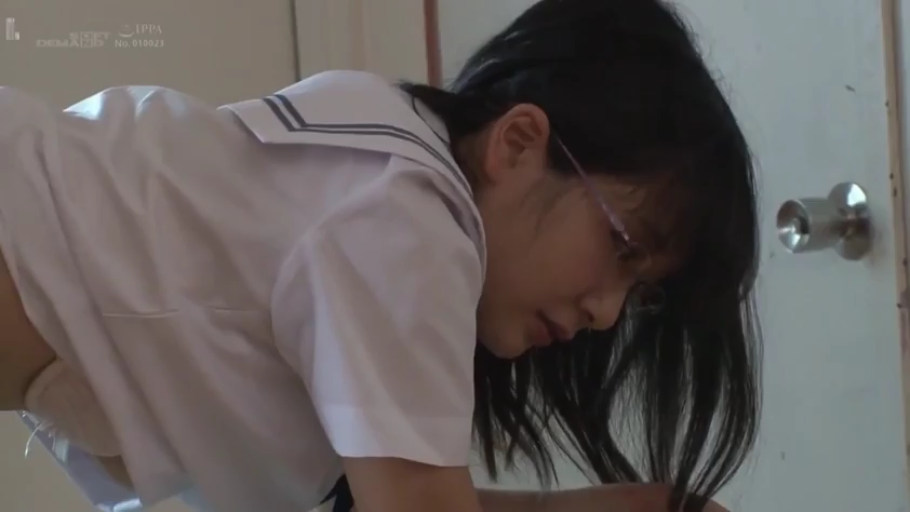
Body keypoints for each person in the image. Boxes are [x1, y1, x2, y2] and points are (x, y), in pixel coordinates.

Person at [0, 0, 760, 510]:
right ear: (518, 143)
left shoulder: (381, 163)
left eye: (641, 292)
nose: (607, 314)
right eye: (621, 248)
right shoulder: (406, 221)